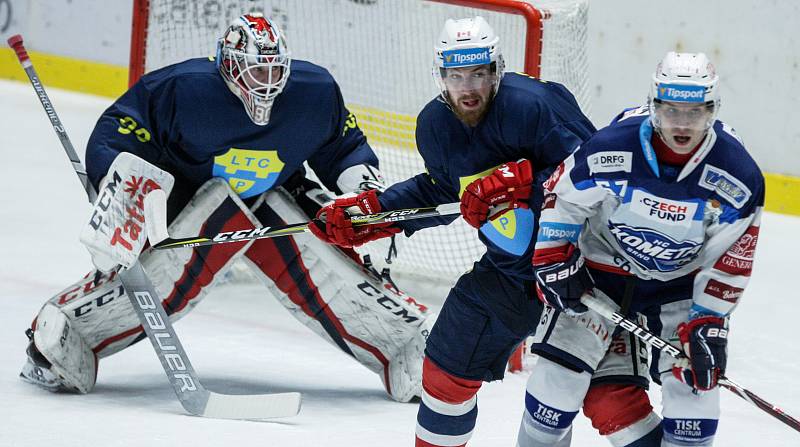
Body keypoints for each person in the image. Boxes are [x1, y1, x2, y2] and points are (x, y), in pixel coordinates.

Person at [19, 12, 433, 403]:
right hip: (187, 194)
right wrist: (120, 186)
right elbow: (121, 128)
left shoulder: (315, 92)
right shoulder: (183, 88)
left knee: (330, 259)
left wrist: (364, 194)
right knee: (159, 274)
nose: (266, 82)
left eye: (274, 71)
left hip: (278, 192)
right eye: (256, 70)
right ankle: (60, 337)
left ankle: (402, 345)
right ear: (229, 66)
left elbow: (343, 148)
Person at [311, 16, 654, 447]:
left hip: (584, 272)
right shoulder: (435, 125)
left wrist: (528, 184)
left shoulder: (535, 105)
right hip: (511, 274)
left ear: (497, 70)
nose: (468, 87)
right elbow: (440, 190)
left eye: (478, 73)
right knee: (443, 370)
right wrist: (373, 214)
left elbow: (599, 179)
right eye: (456, 76)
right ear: (441, 76)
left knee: (613, 405)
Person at [522, 51, 764, 446]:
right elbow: (564, 197)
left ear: (713, 110)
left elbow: (730, 259)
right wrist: (553, 255)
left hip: (680, 289)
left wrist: (708, 321)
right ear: (654, 106)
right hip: (600, 278)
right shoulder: (613, 146)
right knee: (554, 388)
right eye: (671, 111)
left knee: (694, 406)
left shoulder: (736, 174)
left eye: (695, 113)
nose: (682, 124)